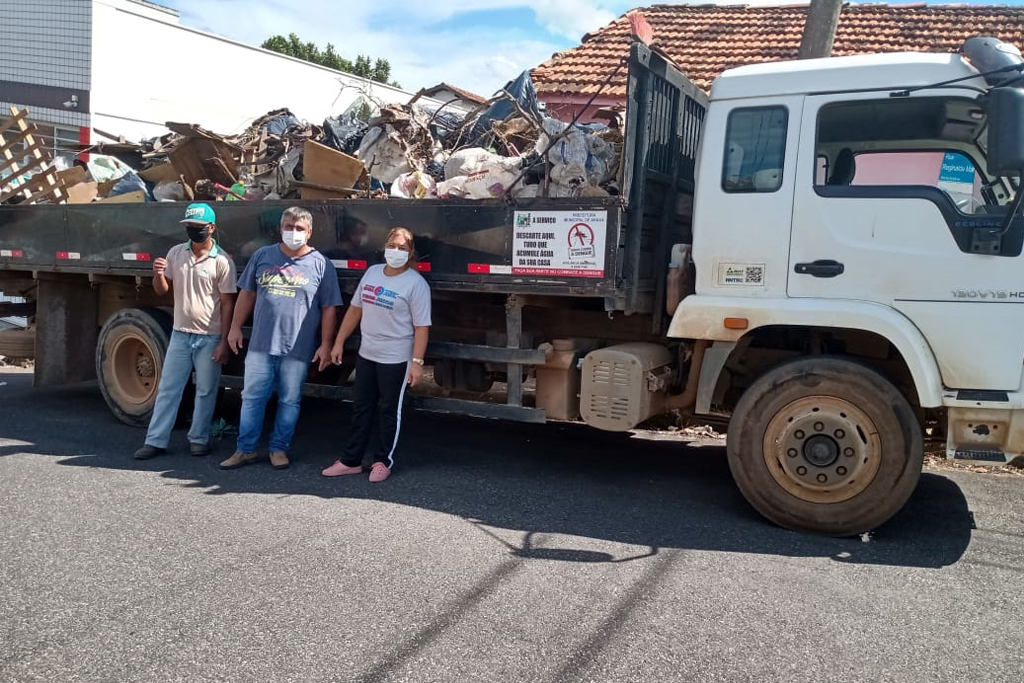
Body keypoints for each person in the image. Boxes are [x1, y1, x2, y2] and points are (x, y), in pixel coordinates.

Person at [220, 207, 342, 471]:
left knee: (289, 400)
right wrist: (234, 328)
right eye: (289, 227)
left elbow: (329, 307)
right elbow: (247, 294)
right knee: (252, 397)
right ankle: (245, 449)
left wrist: (326, 343)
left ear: (309, 232)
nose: (294, 233)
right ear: (280, 228)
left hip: (298, 349)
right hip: (261, 345)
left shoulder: (321, 264)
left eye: (299, 229)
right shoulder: (262, 256)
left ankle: (279, 449)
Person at [322, 227, 431, 483]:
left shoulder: (416, 284)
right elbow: (354, 310)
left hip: (396, 358)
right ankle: (351, 461)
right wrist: (339, 342)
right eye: (392, 245)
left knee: (389, 410)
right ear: (384, 246)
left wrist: (416, 363)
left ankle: (383, 461)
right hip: (367, 354)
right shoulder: (372, 273)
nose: (396, 251)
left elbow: (421, 327)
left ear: (410, 252)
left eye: (403, 248)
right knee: (361, 407)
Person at [134, 203, 237, 460]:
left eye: (199, 227)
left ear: (211, 228)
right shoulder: (175, 253)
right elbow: (162, 290)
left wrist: (223, 342)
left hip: (209, 336)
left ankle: (199, 439)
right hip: (180, 334)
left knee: (205, 390)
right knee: (169, 389)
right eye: (190, 226)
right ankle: (155, 440)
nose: (194, 231)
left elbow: (227, 303)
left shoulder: (222, 261)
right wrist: (158, 275)